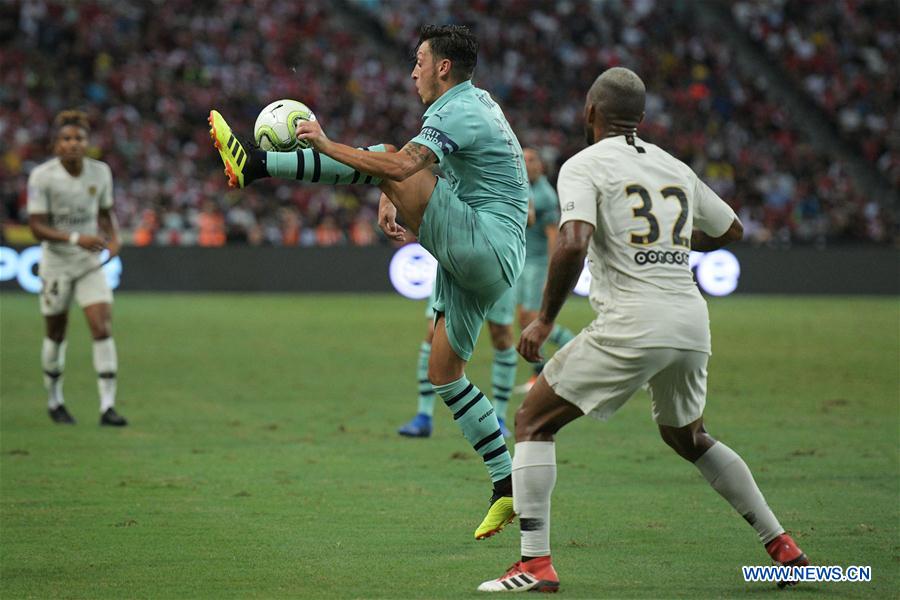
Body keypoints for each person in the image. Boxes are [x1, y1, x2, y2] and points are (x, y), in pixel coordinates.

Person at [478, 67, 807, 593]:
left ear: (590, 112)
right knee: (689, 436)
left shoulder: (583, 165)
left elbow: (574, 240)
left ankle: (534, 564)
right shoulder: (673, 165)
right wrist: (671, 244)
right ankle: (781, 544)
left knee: (532, 421)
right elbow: (732, 229)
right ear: (642, 118)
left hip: (634, 320)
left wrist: (544, 319)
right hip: (690, 321)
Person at [209, 25, 527, 540]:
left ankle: (257, 165)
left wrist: (330, 145)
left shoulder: (459, 108)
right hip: (487, 254)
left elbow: (401, 163)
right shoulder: (474, 102)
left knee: (378, 150)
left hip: (484, 241)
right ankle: (505, 485)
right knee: (447, 375)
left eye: (419, 61)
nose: (413, 71)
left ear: (443, 66)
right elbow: (412, 164)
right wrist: (389, 190)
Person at [27, 110, 127, 427]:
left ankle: (107, 406)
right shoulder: (42, 177)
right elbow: (36, 227)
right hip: (56, 262)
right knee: (56, 333)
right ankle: (55, 400)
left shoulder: (101, 173)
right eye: (66, 139)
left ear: (87, 143)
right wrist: (74, 237)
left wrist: (115, 237)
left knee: (102, 327)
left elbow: (107, 213)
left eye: (79, 138)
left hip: (88, 263)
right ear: (56, 145)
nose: (73, 144)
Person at [398, 284, 517, 439]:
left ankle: (499, 417)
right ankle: (423, 416)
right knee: (435, 331)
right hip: (453, 265)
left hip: (496, 265)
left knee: (501, 334)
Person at [514, 148, 575, 393]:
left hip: (538, 263)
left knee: (533, 319)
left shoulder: (546, 196)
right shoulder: (521, 186)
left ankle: (573, 348)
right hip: (521, 262)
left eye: (532, 160)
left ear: (541, 165)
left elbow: (554, 236)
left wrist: (552, 272)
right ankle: (539, 374)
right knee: (523, 319)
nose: (527, 164)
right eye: (523, 159)